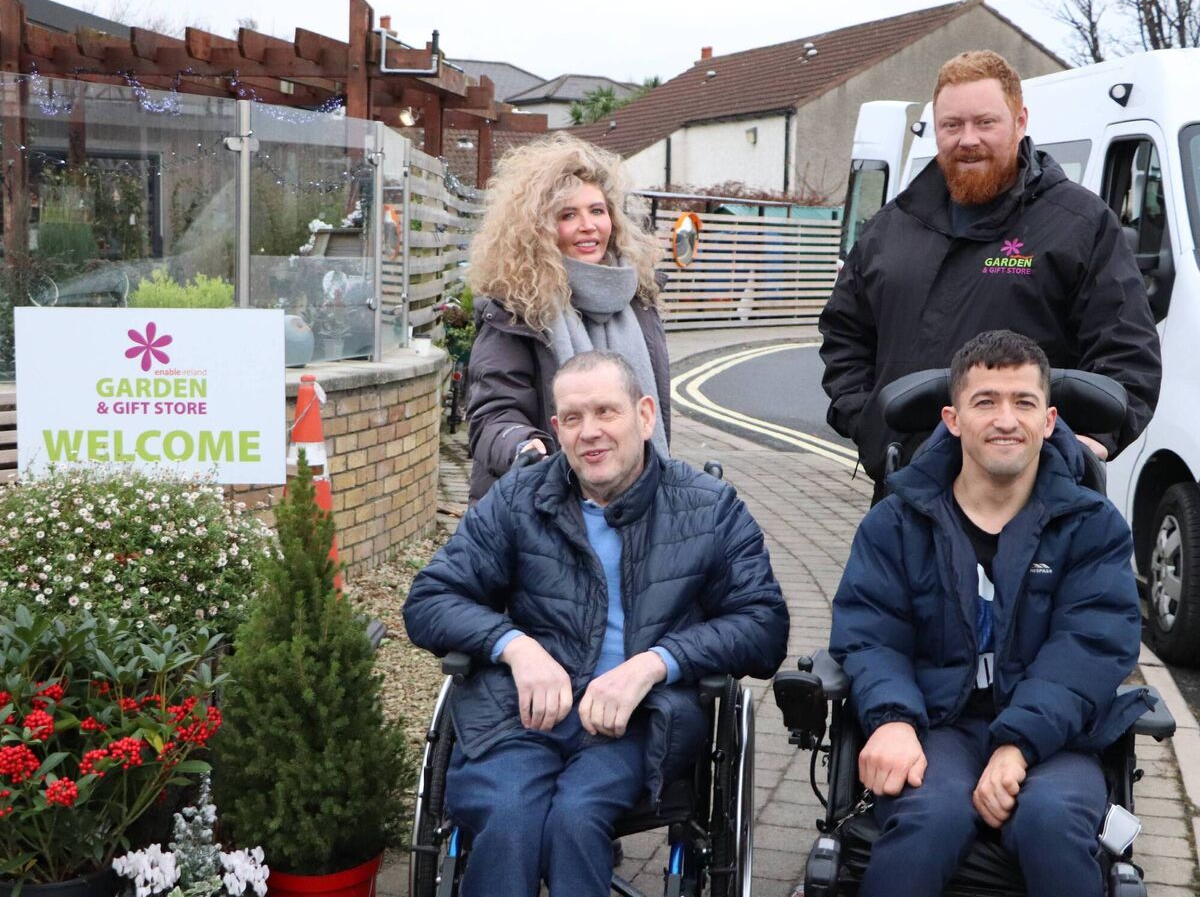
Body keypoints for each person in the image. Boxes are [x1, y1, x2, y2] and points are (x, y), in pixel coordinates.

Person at [403, 351, 788, 897]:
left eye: (606, 411)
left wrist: (655, 664)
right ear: (556, 428)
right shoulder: (517, 498)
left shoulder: (710, 508)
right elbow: (429, 599)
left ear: (645, 415)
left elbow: (763, 624)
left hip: (639, 722)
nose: (590, 432)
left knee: (575, 821)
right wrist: (515, 647)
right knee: (508, 817)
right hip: (523, 715)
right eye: (573, 418)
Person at [829, 330, 1149, 897]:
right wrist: (893, 718)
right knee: (930, 818)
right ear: (952, 420)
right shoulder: (896, 523)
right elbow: (871, 635)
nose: (1006, 419)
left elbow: (1091, 646)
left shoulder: (1093, 527)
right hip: (938, 724)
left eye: (1023, 402)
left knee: (1051, 819)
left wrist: (1018, 744)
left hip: (1057, 736)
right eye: (986, 402)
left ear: (1049, 421)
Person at [819, 49, 1161, 501]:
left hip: (1034, 497)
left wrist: (1088, 444)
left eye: (985, 123)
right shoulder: (891, 228)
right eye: (952, 125)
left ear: (1020, 122)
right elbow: (844, 335)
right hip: (910, 491)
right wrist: (873, 428)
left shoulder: (1080, 224)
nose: (968, 139)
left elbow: (1127, 353)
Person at [465, 132, 669, 502]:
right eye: (568, 215)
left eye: (597, 211)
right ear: (539, 229)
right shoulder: (516, 309)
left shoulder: (639, 300)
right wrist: (524, 446)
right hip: (540, 504)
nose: (588, 225)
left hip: (637, 503)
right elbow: (493, 414)